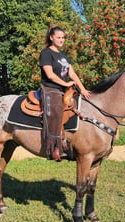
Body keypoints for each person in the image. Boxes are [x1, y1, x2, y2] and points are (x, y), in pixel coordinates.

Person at [39, 26, 91, 161]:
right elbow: (49, 75)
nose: (62, 40)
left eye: (63, 37)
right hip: (50, 89)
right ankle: (54, 146)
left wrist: (83, 89)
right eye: (59, 37)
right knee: (56, 109)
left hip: (63, 89)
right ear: (51, 38)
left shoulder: (63, 56)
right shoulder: (46, 53)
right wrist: (66, 84)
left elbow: (72, 74)